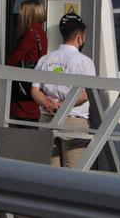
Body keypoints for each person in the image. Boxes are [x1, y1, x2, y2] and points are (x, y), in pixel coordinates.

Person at [31, 12, 96, 168]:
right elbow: (87, 94)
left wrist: (49, 103)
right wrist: (62, 105)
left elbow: (35, 91)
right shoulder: (85, 62)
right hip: (74, 121)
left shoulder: (45, 59)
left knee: (50, 173)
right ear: (80, 37)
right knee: (74, 173)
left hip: (47, 118)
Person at [5, 0, 47, 123]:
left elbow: (13, 59)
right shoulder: (41, 32)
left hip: (22, 87)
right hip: (33, 84)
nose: (19, 15)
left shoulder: (30, 34)